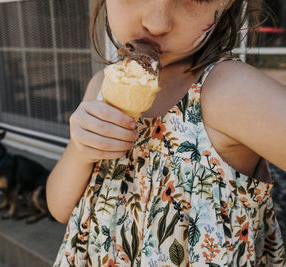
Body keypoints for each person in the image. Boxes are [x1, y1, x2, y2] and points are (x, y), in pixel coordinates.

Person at [47, 0, 286, 266]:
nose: (156, 22)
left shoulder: (228, 91)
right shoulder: (100, 88)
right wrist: (81, 152)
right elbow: (59, 208)